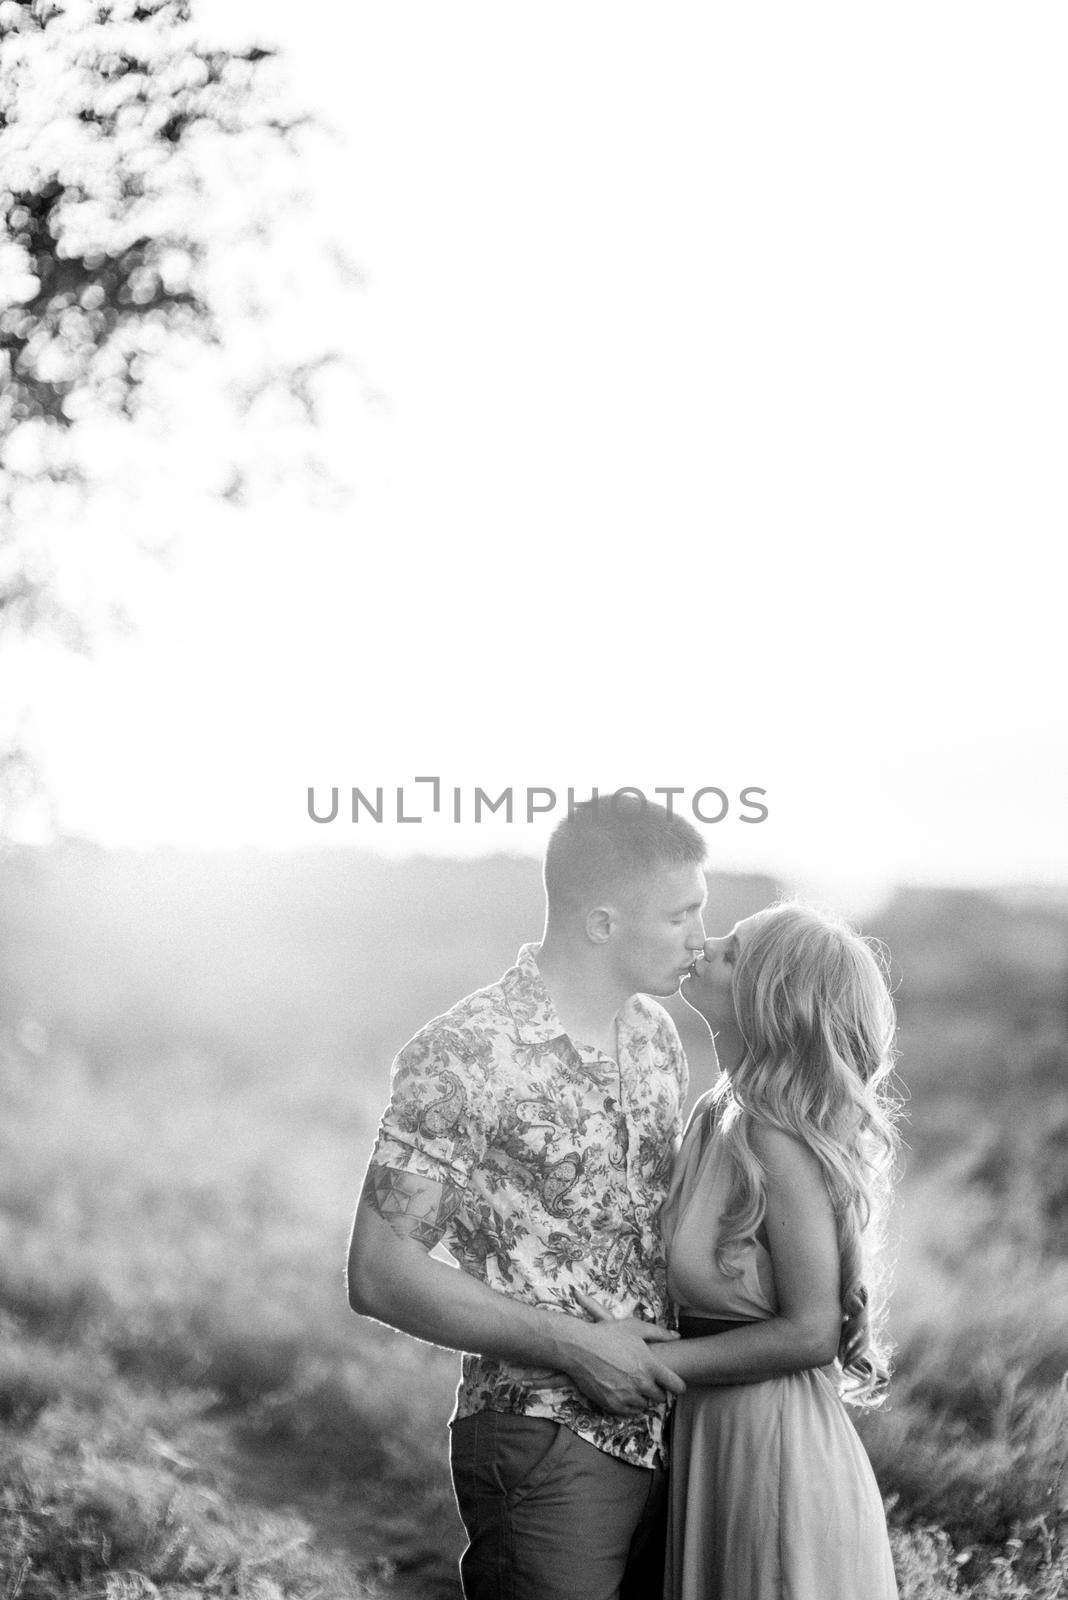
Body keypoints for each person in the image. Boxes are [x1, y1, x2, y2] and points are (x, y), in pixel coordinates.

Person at [346, 796, 710, 1600]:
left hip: (670, 1436)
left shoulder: (654, 1038)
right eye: (681, 916)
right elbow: (379, 1272)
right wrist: (575, 1346)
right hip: (544, 1436)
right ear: (604, 923)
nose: (701, 939)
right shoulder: (464, 1053)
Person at [580, 903, 901, 1600]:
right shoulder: (714, 1112)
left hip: (774, 1451)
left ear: (770, 996)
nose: (704, 944)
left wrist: (641, 1363)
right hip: (714, 1434)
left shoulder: (773, 1136)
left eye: (730, 949)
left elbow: (812, 1332)